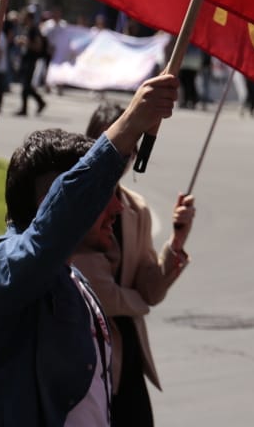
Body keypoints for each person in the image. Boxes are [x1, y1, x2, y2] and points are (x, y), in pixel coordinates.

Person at [0, 74, 178, 426]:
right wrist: (130, 123)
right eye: (103, 197)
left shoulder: (72, 280)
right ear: (52, 202)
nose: (116, 209)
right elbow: (51, 231)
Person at [70, 103, 196, 425]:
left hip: (128, 357)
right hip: (85, 355)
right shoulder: (74, 203)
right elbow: (99, 293)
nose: (126, 153)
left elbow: (149, 289)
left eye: (132, 145)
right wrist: (138, 303)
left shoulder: (135, 208)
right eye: (118, 142)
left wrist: (176, 242)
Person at [13, 17, 48, 117]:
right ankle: (39, 102)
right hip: (25, 59)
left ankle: (27, 107)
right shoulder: (26, 29)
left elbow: (38, 46)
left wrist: (25, 43)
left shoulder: (34, 30)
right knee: (26, 86)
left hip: (31, 60)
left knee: (26, 86)